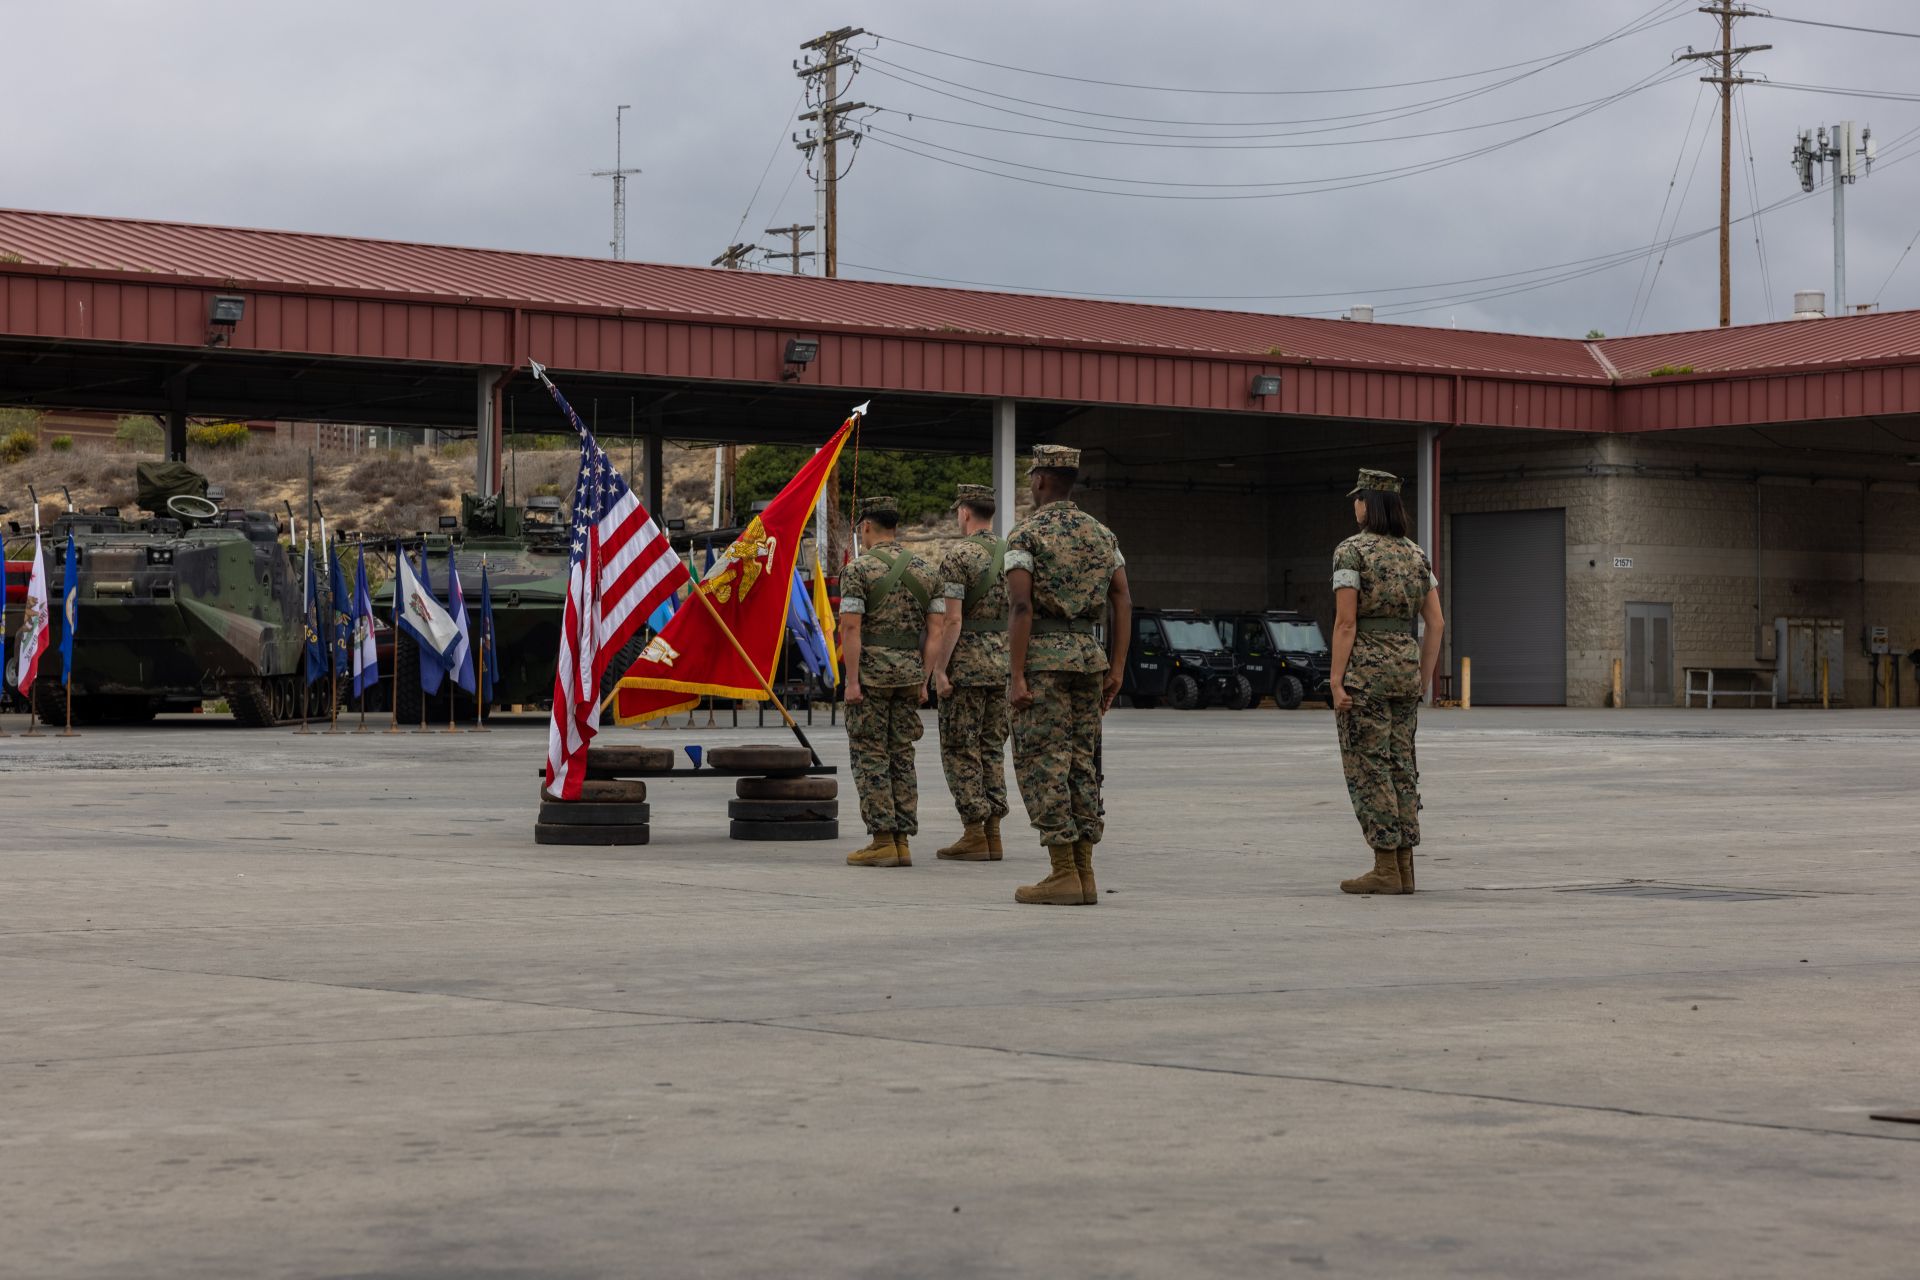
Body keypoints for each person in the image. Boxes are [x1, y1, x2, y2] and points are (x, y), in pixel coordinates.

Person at [1005, 445, 1131, 906]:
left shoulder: (1026, 535)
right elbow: (1123, 599)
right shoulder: (1102, 534)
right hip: (1089, 658)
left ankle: (1062, 872)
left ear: (1039, 480)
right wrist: (1116, 666)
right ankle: (1084, 873)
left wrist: (1017, 675)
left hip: (1043, 660)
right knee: (1083, 763)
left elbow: (1021, 606)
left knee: (1044, 763)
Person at [1329, 468, 1445, 895]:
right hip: (1404, 673)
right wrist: (1423, 678)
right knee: (1402, 766)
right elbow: (1436, 622)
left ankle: (1384, 867)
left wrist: (1336, 681)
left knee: (1369, 767)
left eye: (1358, 497)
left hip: (1366, 673)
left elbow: (1345, 623)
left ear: (1369, 503)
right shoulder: (1417, 555)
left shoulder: (1351, 552)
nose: (1355, 505)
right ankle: (1405, 868)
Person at [837, 496, 944, 868]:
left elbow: (850, 627)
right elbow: (937, 630)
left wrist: (851, 681)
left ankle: (882, 839)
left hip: (871, 676)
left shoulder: (859, 570)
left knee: (871, 755)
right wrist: (924, 678)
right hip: (910, 674)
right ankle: (901, 839)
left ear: (866, 526)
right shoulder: (927, 571)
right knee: (902, 754)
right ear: (894, 527)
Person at [927, 483, 1012, 861]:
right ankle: (993, 832)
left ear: (964, 512)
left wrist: (939, 671)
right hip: (1002, 666)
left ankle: (974, 831)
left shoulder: (958, 557)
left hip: (967, 668)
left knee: (961, 748)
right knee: (992, 748)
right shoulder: (1013, 553)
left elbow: (953, 620)